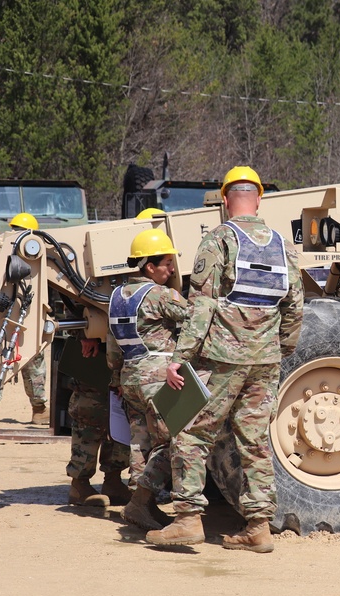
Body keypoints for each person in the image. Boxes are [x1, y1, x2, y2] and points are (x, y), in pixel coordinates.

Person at [146, 165, 303, 552]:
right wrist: (279, 349)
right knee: (255, 441)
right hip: (265, 360)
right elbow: (295, 308)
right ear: (259, 198)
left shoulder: (219, 240)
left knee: (190, 430)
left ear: (225, 199)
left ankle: (186, 519)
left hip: (222, 357)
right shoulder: (284, 247)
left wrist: (180, 357)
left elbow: (201, 306)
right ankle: (259, 527)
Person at [106, 224, 189, 530]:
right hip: (157, 378)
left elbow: (112, 349)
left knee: (139, 443)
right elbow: (195, 315)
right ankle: (141, 502)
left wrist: (117, 379)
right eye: (167, 265)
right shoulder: (159, 295)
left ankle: (143, 506)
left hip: (129, 377)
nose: (170, 270)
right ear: (150, 266)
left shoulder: (116, 296)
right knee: (174, 440)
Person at [66, 336, 133, 506]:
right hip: (95, 350)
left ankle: (113, 480)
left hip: (125, 350)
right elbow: (74, 309)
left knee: (120, 418)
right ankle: (79, 484)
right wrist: (85, 334)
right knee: (89, 415)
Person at [11, 213, 50, 425]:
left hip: (3, 317)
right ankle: (39, 409)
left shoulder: (2, 254)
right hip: (28, 318)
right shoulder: (37, 259)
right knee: (34, 360)